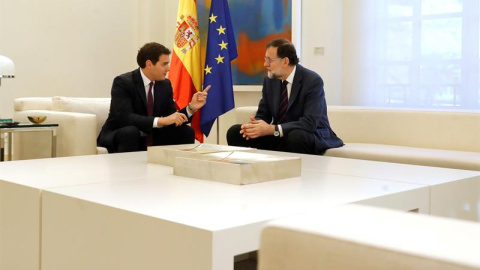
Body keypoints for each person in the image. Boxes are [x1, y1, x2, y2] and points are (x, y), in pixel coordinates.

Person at [227, 38, 343, 155]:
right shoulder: (270, 80)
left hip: (309, 134)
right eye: (265, 59)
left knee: (296, 136)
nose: (265, 64)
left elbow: (309, 122)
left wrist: (273, 129)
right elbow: (263, 114)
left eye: (269, 60)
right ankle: (250, 171)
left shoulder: (312, 81)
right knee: (236, 132)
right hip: (279, 134)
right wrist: (256, 126)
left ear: (285, 61)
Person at [98, 42, 210, 153]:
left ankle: (179, 168)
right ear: (149, 64)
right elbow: (125, 118)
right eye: (164, 64)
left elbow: (171, 117)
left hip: (151, 135)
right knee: (131, 132)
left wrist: (191, 108)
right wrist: (161, 121)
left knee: (186, 131)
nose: (168, 69)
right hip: (121, 134)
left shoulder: (165, 85)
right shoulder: (123, 82)